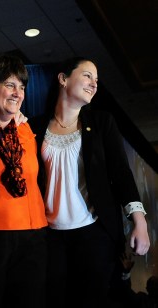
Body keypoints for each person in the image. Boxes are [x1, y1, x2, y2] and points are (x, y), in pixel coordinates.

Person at [28, 56, 150, 308]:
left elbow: (121, 173)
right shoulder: (36, 127)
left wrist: (139, 221)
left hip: (94, 234)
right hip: (50, 237)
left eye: (96, 79)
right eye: (87, 75)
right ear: (63, 79)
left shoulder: (102, 122)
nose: (94, 84)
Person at [0, 54, 48, 308]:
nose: (18, 93)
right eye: (10, 85)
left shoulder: (27, 129)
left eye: (22, 87)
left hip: (34, 234)